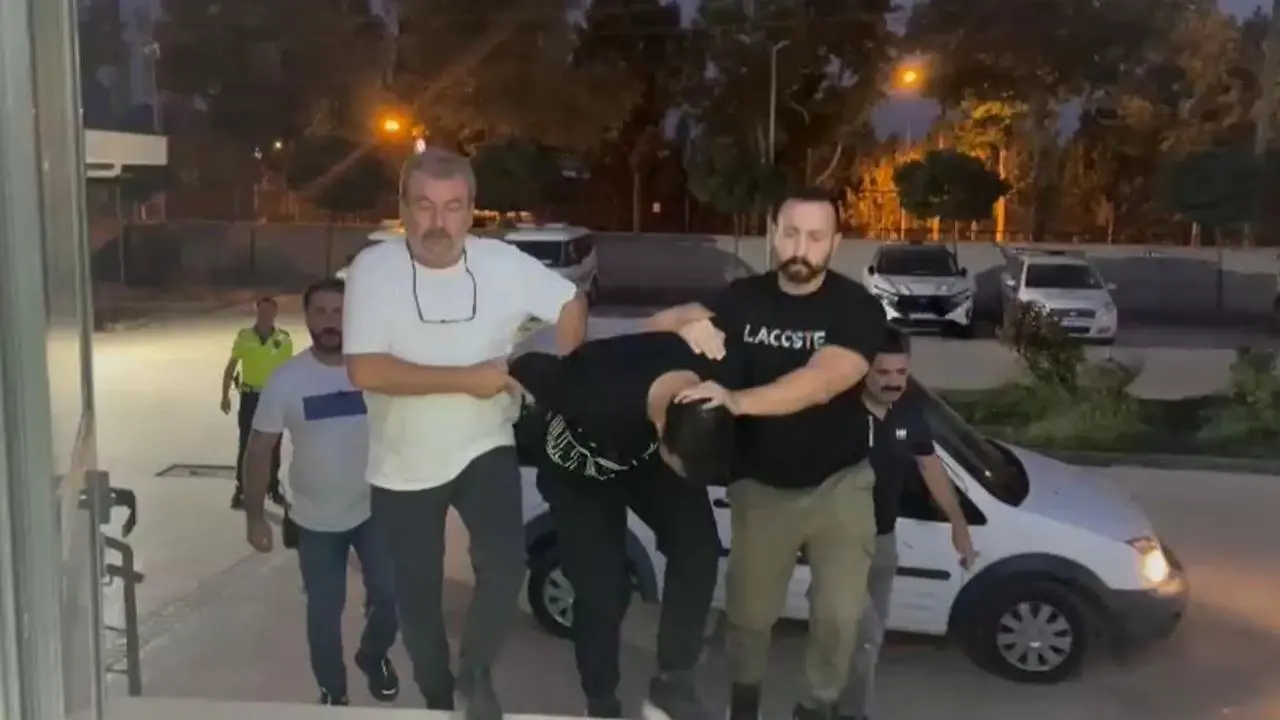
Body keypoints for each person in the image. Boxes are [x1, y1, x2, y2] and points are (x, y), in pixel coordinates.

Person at [342, 147, 587, 719]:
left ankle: (475, 678)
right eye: (424, 205)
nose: (438, 222)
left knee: (505, 566)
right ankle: (437, 694)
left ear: (472, 209)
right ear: (403, 206)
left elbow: (571, 301)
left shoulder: (501, 262)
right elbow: (366, 370)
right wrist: (468, 379)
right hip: (402, 462)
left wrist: (562, 373)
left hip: (484, 444)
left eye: (453, 207)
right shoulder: (373, 269)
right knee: (418, 593)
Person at [647, 187, 887, 720]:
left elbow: (822, 381)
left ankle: (815, 706)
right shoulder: (742, 300)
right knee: (749, 617)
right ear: (773, 235)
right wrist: (685, 319)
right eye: (791, 233)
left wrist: (737, 401)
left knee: (839, 615)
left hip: (840, 485)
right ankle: (745, 703)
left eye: (816, 237)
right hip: (759, 486)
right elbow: (650, 332)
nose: (802, 248)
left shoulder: (857, 308)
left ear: (835, 244)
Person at [507, 332, 739, 720]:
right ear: (662, 429)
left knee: (698, 551)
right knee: (603, 590)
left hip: (646, 460)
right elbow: (524, 364)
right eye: (681, 465)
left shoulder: (715, 377)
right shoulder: (588, 387)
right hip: (580, 473)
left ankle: (672, 688)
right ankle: (600, 704)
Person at [242, 279, 400, 707]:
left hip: (375, 511)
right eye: (321, 311)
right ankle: (334, 692)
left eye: (339, 311)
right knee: (324, 615)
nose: (330, 321)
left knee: (392, 598)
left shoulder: (378, 372)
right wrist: (255, 517)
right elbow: (259, 450)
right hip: (315, 522)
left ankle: (373, 655)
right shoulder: (288, 379)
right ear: (307, 318)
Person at [837, 326, 977, 720]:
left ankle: (845, 704)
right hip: (838, 544)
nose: (893, 382)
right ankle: (844, 710)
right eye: (883, 373)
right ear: (864, 370)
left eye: (901, 372)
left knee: (870, 637)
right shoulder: (838, 414)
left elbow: (929, 465)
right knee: (862, 634)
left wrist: (958, 523)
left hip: (883, 541)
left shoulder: (908, 411)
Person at [221, 295, 292, 510]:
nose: (265, 315)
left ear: (275, 313)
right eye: (262, 311)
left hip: (274, 399)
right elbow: (231, 366)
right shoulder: (244, 336)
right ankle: (241, 488)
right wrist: (225, 395)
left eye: (269, 311)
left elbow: (289, 372)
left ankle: (272, 487)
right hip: (250, 397)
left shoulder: (284, 339)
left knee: (274, 445)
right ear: (257, 312)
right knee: (246, 444)